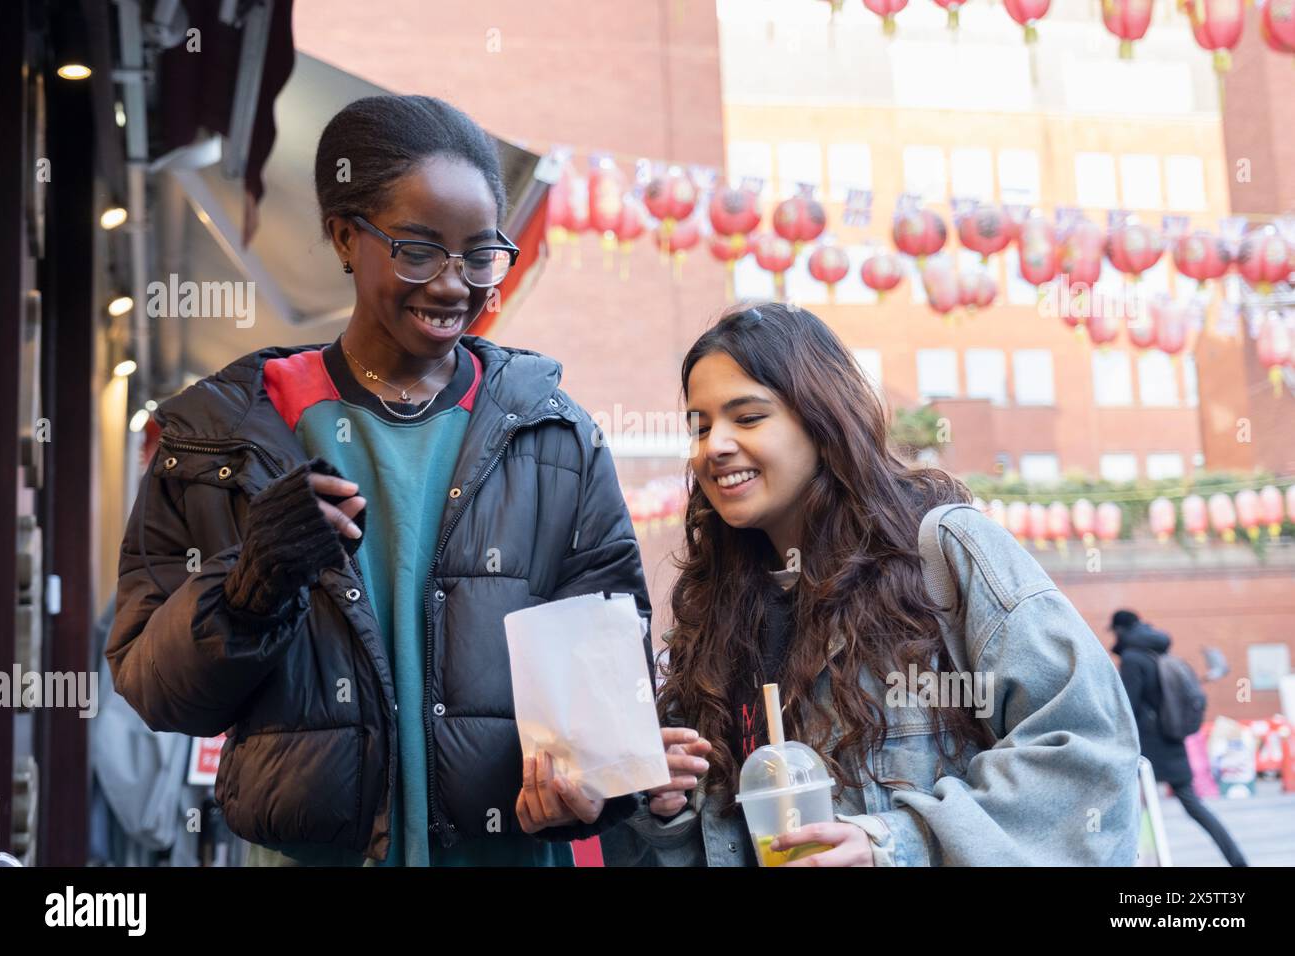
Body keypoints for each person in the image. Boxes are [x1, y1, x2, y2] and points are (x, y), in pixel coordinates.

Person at [107, 94, 651, 866]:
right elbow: (155, 688)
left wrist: (592, 791)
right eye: (418, 250)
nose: (454, 285)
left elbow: (610, 693)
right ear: (342, 236)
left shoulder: (557, 439)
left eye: (479, 255)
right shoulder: (220, 440)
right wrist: (249, 587)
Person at [600, 303, 1143, 866]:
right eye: (701, 426)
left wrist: (895, 845)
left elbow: (1084, 750)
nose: (714, 446)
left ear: (821, 418)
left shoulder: (945, 553)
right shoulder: (715, 614)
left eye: (749, 417)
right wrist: (666, 809)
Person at [1110, 609, 1248, 866]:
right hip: (1172, 742)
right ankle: (1238, 861)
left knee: (1126, 811)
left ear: (1120, 629)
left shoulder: (1132, 659)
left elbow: (1126, 707)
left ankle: (1137, 861)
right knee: (1195, 807)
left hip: (1145, 751)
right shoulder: (1159, 653)